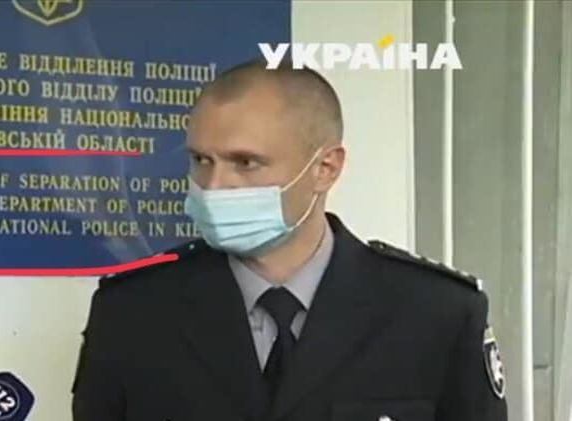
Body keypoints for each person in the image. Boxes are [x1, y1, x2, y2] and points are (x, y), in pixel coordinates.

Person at [71, 59, 508, 421]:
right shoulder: (133, 313)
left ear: (325, 169)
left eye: (245, 162)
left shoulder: (437, 313)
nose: (213, 185)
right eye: (202, 160)